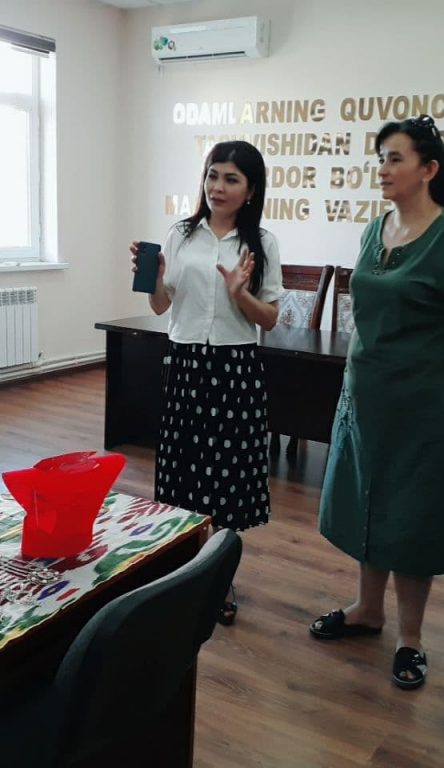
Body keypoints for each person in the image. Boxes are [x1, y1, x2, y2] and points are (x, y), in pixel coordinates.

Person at [309, 115, 444, 690]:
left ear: (429, 169)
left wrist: (439, 363)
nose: (383, 169)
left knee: (414, 515)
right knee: (370, 503)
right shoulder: (376, 229)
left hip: (426, 405)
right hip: (366, 398)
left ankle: (411, 637)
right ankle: (368, 610)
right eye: (381, 158)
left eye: (395, 158)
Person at [130, 140, 283, 625]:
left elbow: (270, 318)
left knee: (227, 476)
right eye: (212, 175)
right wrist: (154, 277)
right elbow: (161, 305)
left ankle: (218, 579)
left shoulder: (261, 243)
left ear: (251, 190)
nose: (218, 187)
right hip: (185, 364)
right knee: (185, 470)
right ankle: (182, 572)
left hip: (234, 367)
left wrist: (239, 294)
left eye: (231, 179)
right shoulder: (181, 234)